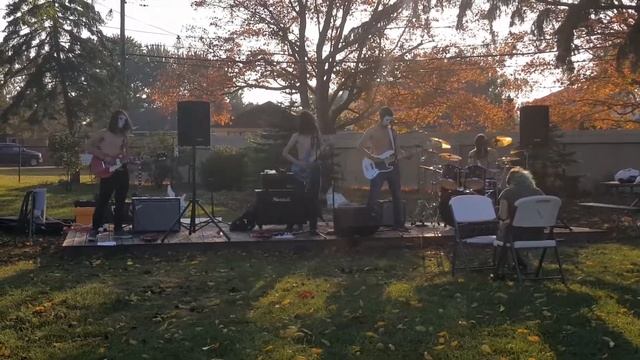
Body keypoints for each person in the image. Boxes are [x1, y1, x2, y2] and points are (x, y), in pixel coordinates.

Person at [358, 106, 408, 232]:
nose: (389, 122)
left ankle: (399, 224)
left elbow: (397, 149)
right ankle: (367, 224)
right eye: (386, 120)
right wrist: (373, 157)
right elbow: (359, 146)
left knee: (397, 194)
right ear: (380, 118)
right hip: (377, 166)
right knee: (373, 195)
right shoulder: (371, 131)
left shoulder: (393, 132)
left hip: (393, 166)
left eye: (390, 120)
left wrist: (405, 154)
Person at [86, 110, 133, 241]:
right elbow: (88, 146)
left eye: (124, 119)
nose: (121, 122)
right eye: (119, 119)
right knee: (103, 199)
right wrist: (104, 157)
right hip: (107, 169)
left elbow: (126, 154)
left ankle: (118, 229)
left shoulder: (124, 136)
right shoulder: (103, 133)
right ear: (114, 120)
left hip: (121, 169)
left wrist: (127, 159)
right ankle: (94, 230)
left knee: (121, 200)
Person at [495, 167, 545, 276]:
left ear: (510, 181)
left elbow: (503, 216)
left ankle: (503, 268)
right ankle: (520, 264)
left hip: (516, 234)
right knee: (508, 231)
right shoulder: (538, 192)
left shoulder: (507, 193)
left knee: (503, 232)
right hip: (538, 234)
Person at [282, 110, 323, 233]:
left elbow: (321, 147)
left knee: (313, 198)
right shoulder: (296, 136)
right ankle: (292, 224)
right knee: (297, 197)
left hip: (313, 168)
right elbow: (285, 152)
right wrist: (298, 162)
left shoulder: (315, 135)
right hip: (300, 169)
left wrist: (313, 157)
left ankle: (312, 227)